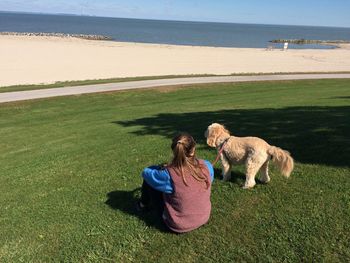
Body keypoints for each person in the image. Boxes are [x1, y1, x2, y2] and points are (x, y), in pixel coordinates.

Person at [137, 132, 214, 233]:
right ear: (193, 149)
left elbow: (146, 172)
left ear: (175, 151)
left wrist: (160, 168)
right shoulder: (207, 166)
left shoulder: (168, 174)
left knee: (150, 181)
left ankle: (143, 205)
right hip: (204, 217)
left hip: (177, 225)